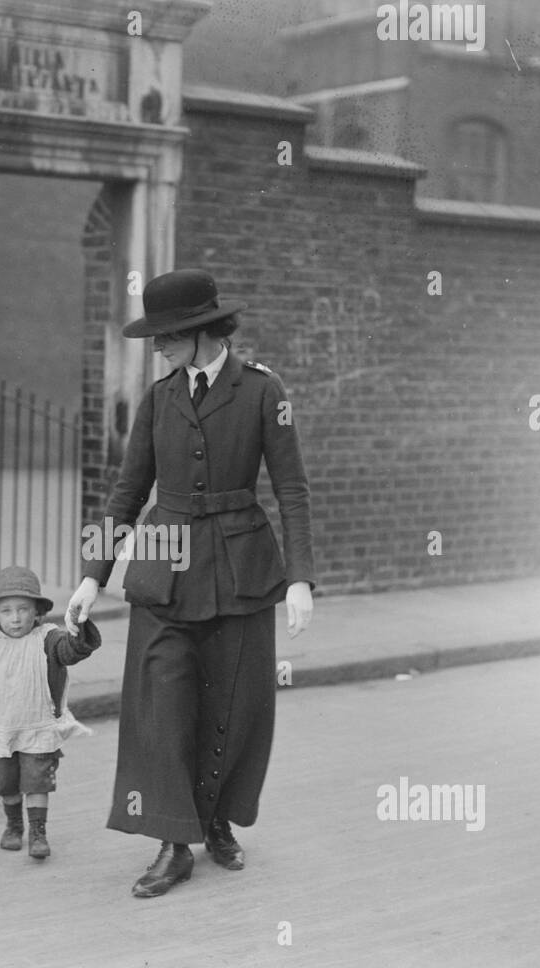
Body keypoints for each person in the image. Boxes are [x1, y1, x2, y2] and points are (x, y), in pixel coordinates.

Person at [65, 268, 315, 899]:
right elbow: (128, 491)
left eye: (167, 335)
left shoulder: (264, 391)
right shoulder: (160, 397)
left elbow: (292, 489)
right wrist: (93, 575)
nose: (158, 348)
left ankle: (218, 820)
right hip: (164, 567)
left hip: (241, 570)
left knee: (234, 703)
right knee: (161, 707)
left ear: (203, 330)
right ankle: (173, 845)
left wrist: (301, 579)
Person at [0, 566, 101, 860]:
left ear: (37, 612)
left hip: (37, 727)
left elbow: (72, 650)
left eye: (23, 609)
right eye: (6, 610)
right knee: (6, 784)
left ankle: (38, 832)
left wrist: (78, 627)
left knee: (36, 782)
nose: (16, 617)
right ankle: (13, 825)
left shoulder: (48, 639)